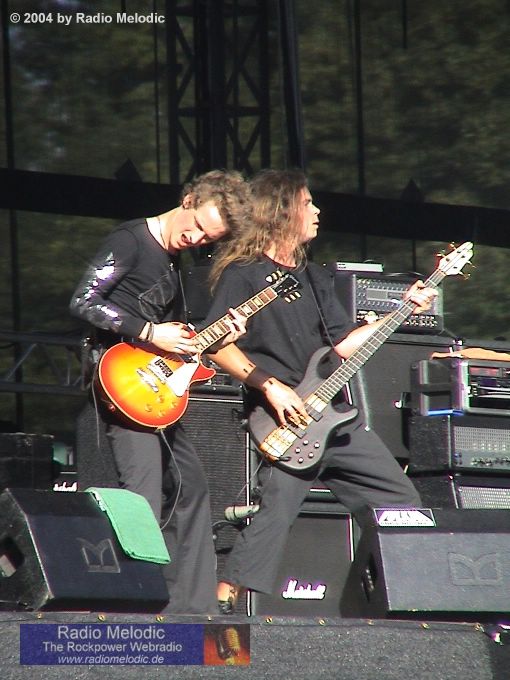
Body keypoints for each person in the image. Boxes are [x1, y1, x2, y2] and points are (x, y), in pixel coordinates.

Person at [203, 168, 438, 613]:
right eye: (307, 203)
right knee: (275, 514)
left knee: (400, 501)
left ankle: (384, 595)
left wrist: (402, 309)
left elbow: (344, 345)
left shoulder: (314, 277)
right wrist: (270, 387)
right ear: (282, 211)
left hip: (332, 418)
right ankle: (223, 606)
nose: (316, 211)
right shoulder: (243, 275)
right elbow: (215, 343)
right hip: (284, 417)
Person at [69, 169, 252, 614]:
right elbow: (83, 301)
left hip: (153, 388)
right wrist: (149, 331)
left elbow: (175, 338)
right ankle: (135, 602)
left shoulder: (174, 261)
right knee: (143, 495)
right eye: (198, 226)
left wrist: (217, 336)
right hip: (122, 384)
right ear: (188, 200)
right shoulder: (131, 239)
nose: (196, 238)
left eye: (208, 238)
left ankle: (192, 607)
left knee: (192, 487)